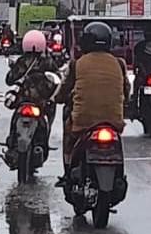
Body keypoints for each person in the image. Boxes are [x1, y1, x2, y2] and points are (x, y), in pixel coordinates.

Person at [54, 22, 129, 180]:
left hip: (84, 121)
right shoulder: (119, 63)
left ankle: (67, 170)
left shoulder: (77, 63)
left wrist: (57, 99)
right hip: (114, 121)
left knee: (68, 128)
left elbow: (63, 91)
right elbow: (126, 90)